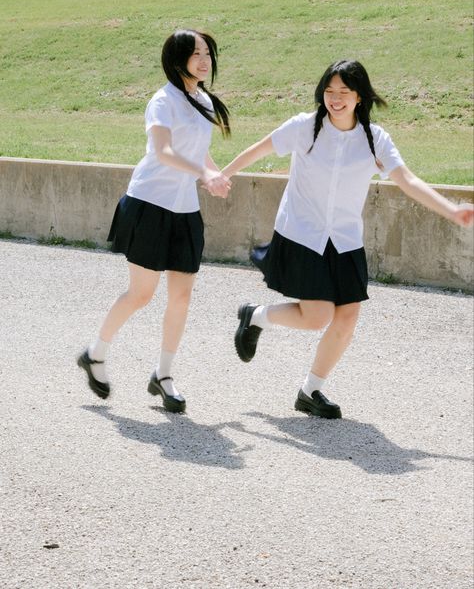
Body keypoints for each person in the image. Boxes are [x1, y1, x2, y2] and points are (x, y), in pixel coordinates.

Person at [222, 60, 474, 419]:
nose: (335, 99)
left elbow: (407, 180)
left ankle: (310, 390)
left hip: (344, 240)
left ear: (360, 96)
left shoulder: (375, 139)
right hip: (303, 234)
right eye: (329, 91)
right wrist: (222, 175)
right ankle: (257, 315)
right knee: (316, 317)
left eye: (344, 92)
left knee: (347, 317)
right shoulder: (304, 128)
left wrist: (451, 210)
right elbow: (258, 149)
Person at [78, 29, 231, 412]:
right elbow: (163, 152)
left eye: (207, 53)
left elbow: (198, 151)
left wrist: (213, 175)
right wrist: (204, 172)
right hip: (149, 204)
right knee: (141, 294)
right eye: (195, 53)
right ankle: (95, 354)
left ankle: (163, 376)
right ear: (176, 59)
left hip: (185, 212)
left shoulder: (204, 100)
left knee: (181, 295)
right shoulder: (162, 102)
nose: (204, 60)